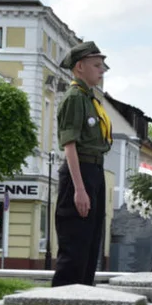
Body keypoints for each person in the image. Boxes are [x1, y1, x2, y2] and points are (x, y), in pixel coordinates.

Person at [52, 41, 112, 287]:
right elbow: (70, 145)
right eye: (97, 65)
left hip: (94, 172)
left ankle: (84, 297)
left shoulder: (90, 98)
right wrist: (79, 188)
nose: (102, 70)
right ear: (79, 67)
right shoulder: (75, 97)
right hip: (80, 173)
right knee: (75, 248)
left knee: (89, 247)